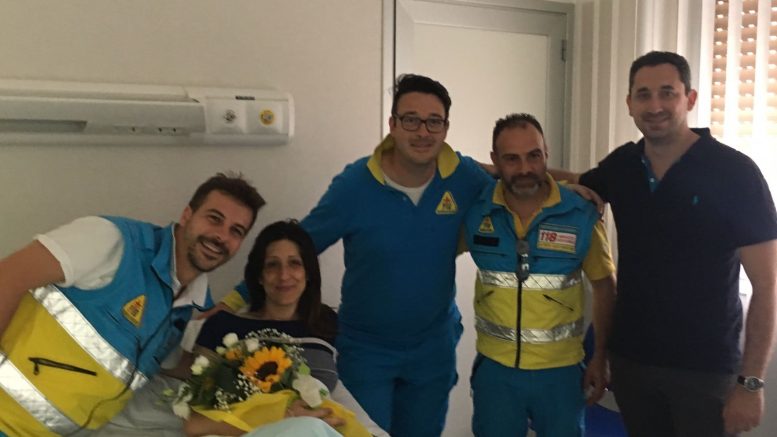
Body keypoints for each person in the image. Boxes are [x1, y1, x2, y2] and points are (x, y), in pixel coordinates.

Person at [212, 74, 493, 436]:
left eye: (433, 121)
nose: (423, 132)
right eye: (411, 120)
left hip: (432, 347)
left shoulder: (463, 176)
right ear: (392, 125)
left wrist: (566, 182)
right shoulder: (356, 184)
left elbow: (517, 175)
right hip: (366, 349)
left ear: (445, 128)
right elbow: (301, 245)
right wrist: (234, 300)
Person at [553, 51, 777, 436]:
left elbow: (767, 284)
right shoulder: (623, 166)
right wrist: (497, 171)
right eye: (643, 94)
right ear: (629, 103)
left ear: (689, 99)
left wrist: (751, 384)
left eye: (667, 93)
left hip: (704, 372)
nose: (654, 105)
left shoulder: (735, 172)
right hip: (633, 365)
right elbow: (575, 182)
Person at [0, 172, 265, 437]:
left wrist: (247, 375)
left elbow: (173, 363)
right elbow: (7, 278)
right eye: (214, 219)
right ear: (187, 215)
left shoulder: (184, 309)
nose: (221, 236)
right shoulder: (112, 240)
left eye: (236, 231)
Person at [463, 113, 616, 437]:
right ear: (495, 161)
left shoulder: (580, 213)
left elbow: (605, 287)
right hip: (496, 372)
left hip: (561, 374)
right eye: (511, 159)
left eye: (534, 156)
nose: (525, 169)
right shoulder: (475, 210)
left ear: (546, 154)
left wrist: (600, 356)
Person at [179, 220, 387, 437]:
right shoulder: (224, 326)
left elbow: (339, 395)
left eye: (294, 263)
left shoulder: (324, 324)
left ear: (308, 273)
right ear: (259, 276)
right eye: (272, 265)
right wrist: (283, 418)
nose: (284, 275)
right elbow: (195, 423)